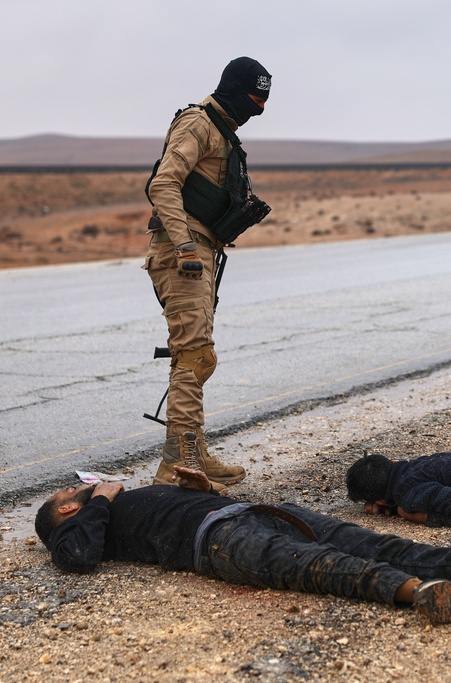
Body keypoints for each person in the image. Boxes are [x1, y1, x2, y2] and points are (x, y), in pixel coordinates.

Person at [34, 467, 451, 625]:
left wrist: (203, 489)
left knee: (366, 539)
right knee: (325, 566)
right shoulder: (84, 527)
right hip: (220, 544)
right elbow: (76, 559)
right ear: (69, 511)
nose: (74, 488)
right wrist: (100, 498)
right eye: (67, 494)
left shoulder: (108, 510)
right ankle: (427, 592)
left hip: (248, 515)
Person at [144, 56, 273, 488]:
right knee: (192, 355)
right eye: (253, 102)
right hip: (183, 252)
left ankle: (192, 454)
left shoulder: (222, 132)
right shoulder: (198, 125)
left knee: (200, 357)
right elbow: (162, 184)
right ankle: (178, 468)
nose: (255, 111)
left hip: (199, 250)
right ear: (234, 91)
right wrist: (184, 245)